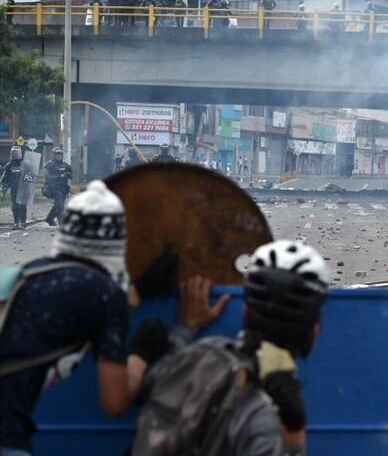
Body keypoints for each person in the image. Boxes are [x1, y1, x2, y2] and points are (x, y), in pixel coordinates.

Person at [0, 181, 227, 455]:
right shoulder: (105, 295)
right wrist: (143, 353)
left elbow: (75, 311)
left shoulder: (30, 274)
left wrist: (138, 292)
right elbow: (115, 402)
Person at [132, 240, 330, 456]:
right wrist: (294, 428)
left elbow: (149, 385)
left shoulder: (199, 355)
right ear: (314, 331)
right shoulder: (264, 417)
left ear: (245, 312)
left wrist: (185, 328)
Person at [42, 147, 72, 227]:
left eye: (60, 154)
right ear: (54, 155)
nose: (59, 156)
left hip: (63, 188)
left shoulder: (66, 165)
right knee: (60, 205)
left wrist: (67, 174)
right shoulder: (50, 165)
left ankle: (50, 219)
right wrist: (59, 176)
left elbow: (71, 176)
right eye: (57, 154)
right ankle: (60, 222)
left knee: (59, 205)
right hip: (54, 188)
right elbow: (47, 177)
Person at [0, 146, 26, 229]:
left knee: (22, 205)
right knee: (15, 205)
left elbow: (31, 174)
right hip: (14, 188)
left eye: (17, 153)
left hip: (23, 188)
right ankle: (16, 222)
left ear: (20, 153)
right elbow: (4, 177)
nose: (15, 155)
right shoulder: (9, 165)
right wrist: (4, 184)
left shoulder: (24, 164)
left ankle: (22, 221)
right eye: (13, 153)